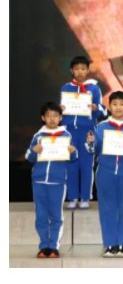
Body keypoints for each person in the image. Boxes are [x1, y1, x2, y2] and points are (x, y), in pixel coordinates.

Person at [86, 91, 123, 257]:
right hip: (105, 172)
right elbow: (94, 150)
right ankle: (110, 244)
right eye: (114, 104)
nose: (118, 107)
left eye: (122, 104)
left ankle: (122, 244)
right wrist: (90, 143)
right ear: (109, 107)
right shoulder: (102, 127)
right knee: (107, 209)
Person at [26, 102, 77, 258]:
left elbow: (73, 158)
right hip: (39, 181)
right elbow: (29, 157)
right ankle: (43, 246)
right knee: (41, 216)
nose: (52, 119)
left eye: (55, 115)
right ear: (43, 118)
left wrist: (72, 151)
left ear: (60, 117)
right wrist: (34, 151)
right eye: (48, 115)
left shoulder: (66, 135)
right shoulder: (38, 136)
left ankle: (54, 246)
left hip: (58, 181)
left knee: (56, 216)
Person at [60, 56, 106, 209]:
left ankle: (85, 197)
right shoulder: (66, 88)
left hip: (87, 130)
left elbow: (103, 110)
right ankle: (72, 197)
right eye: (76, 69)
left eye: (83, 69)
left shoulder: (94, 88)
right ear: (71, 70)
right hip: (69, 131)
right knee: (71, 164)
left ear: (88, 70)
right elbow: (60, 110)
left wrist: (95, 108)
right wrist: (60, 110)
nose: (80, 72)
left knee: (86, 165)